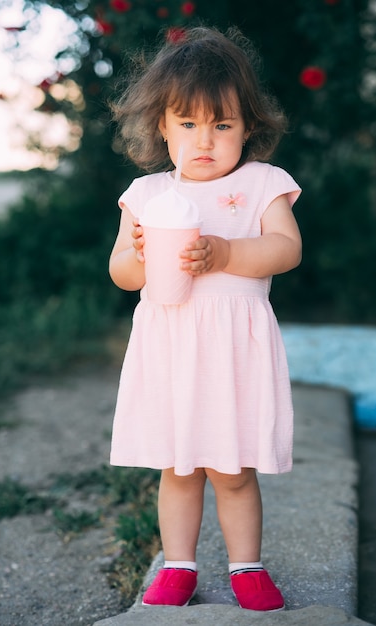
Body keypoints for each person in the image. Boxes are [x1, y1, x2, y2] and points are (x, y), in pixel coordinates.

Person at [109, 26, 302, 612]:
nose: (206, 140)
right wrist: (140, 256)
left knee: (234, 468)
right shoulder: (145, 193)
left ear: (249, 127)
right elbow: (120, 270)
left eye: (223, 125)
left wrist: (225, 254)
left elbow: (286, 249)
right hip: (170, 347)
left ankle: (247, 566)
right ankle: (179, 566)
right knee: (178, 465)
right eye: (188, 124)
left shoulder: (262, 184)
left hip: (233, 351)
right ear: (162, 127)